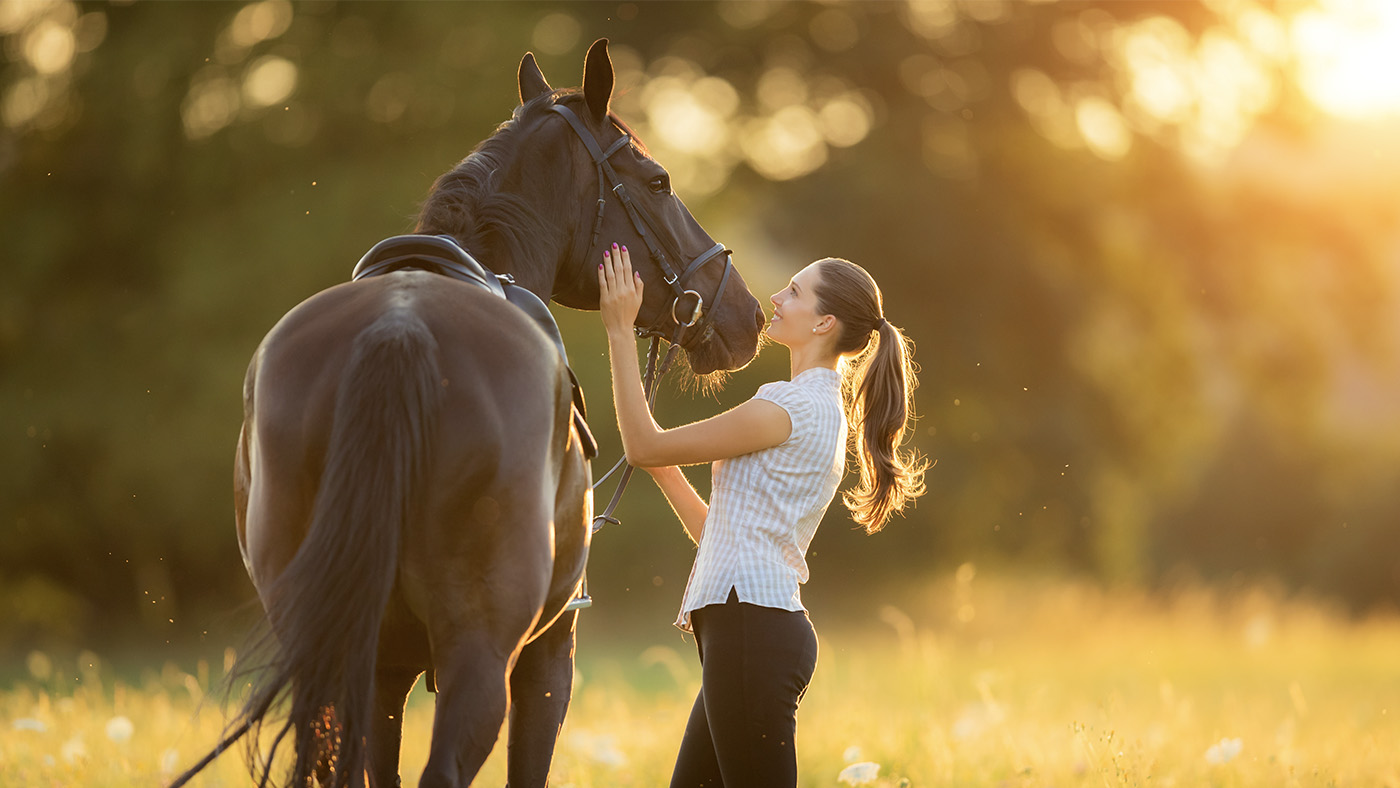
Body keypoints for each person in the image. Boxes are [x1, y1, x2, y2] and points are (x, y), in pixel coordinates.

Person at [598, 242, 927, 787]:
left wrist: (618, 330)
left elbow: (640, 444)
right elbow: (716, 531)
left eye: (794, 291)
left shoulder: (788, 408)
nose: (776, 297)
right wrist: (663, 463)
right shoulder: (810, 407)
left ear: (824, 322)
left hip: (752, 630)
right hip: (749, 629)